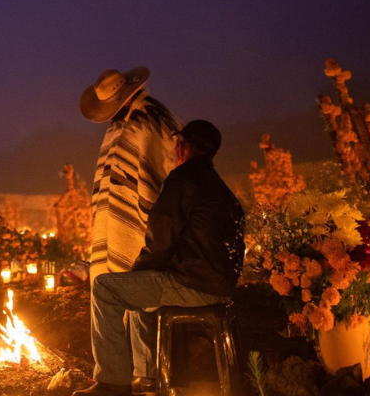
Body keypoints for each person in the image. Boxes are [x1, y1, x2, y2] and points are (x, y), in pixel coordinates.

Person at [75, 120, 246, 396]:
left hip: (194, 284)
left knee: (107, 288)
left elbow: (160, 239)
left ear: (183, 148)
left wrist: (135, 275)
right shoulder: (221, 189)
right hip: (220, 287)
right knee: (139, 292)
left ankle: (112, 383)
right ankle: (145, 380)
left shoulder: (183, 179)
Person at [81, 67, 180, 381]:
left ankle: (143, 375)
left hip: (148, 228)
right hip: (118, 226)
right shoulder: (119, 126)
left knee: (140, 296)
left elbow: (165, 173)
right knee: (119, 292)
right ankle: (135, 373)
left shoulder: (150, 120)